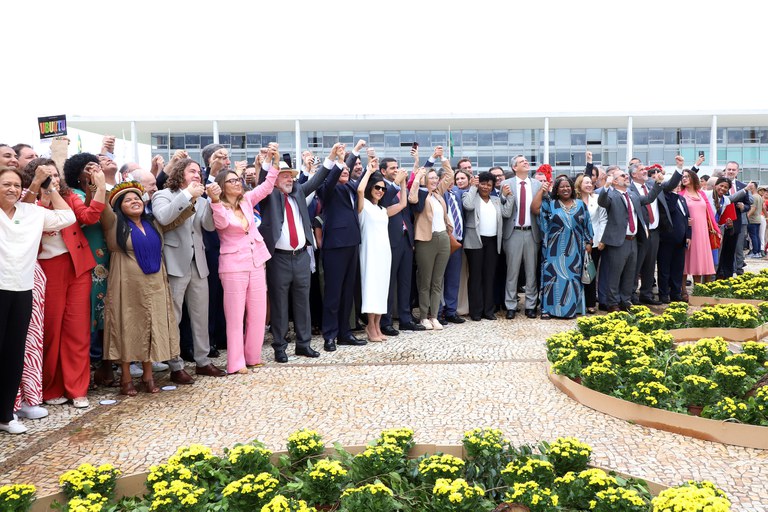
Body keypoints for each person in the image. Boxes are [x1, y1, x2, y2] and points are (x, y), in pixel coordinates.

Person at [23, 158, 105, 409]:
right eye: (47, 176)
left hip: (78, 266)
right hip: (47, 269)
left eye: (55, 175)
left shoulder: (70, 198)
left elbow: (89, 217)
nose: (54, 180)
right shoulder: (27, 203)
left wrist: (100, 187)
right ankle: (50, 387)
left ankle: (77, 388)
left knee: (77, 330)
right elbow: (23, 221)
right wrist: (41, 193)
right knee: (51, 330)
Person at [0, 165, 75, 434]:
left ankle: (6, 415)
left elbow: (67, 217)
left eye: (16, 185)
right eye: (6, 184)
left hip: (22, 290)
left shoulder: (32, 212)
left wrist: (49, 186)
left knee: (13, 354)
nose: (11, 189)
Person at [102, 182, 189, 396]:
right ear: (119, 207)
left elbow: (176, 218)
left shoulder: (153, 223)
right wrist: (98, 182)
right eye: (128, 200)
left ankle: (148, 375)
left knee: (151, 325)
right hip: (127, 283)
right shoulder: (114, 224)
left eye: (137, 198)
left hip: (155, 282)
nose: (134, 202)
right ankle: (126, 377)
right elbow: (103, 208)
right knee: (127, 325)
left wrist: (191, 197)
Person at [258, 144, 340, 362]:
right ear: (274, 178)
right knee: (279, 304)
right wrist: (269, 161)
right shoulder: (268, 196)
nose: (289, 179)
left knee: (303, 303)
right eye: (284, 176)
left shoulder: (298, 192)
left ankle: (303, 344)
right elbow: (262, 180)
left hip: (301, 256)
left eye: (291, 176)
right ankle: (280, 346)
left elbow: (318, 178)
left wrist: (331, 157)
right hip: (279, 259)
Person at [208, 148, 280, 374]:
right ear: (222, 185)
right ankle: (236, 362)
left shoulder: (247, 200)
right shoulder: (217, 206)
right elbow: (220, 224)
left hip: (257, 261)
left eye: (238, 180)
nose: (237, 183)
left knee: (258, 313)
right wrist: (214, 200)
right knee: (235, 315)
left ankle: (253, 356)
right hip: (233, 266)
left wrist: (274, 163)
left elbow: (267, 187)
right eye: (231, 181)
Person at [152, 158, 224, 382]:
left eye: (199, 173)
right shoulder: (163, 195)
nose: (197, 175)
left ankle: (202, 361)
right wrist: (187, 195)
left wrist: (213, 201)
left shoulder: (201, 200)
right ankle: (175, 365)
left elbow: (209, 227)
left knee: (201, 315)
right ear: (180, 173)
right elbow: (163, 217)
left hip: (198, 263)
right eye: (192, 171)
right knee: (174, 315)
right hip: (174, 262)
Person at [62, 153, 113, 387]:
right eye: (87, 167)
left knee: (105, 312)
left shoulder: (103, 189)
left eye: (96, 165)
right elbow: (87, 218)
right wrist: (96, 187)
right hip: (87, 258)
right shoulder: (73, 195)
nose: (93, 169)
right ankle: (85, 370)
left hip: (105, 255)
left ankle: (105, 366)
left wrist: (100, 186)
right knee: (88, 313)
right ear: (76, 172)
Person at [317, 142, 365, 352]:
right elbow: (333, 175)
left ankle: (345, 333)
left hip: (352, 243)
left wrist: (355, 152)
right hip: (335, 246)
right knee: (333, 293)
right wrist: (342, 158)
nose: (346, 171)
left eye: (347, 169)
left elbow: (357, 175)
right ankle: (330, 335)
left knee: (347, 292)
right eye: (342, 169)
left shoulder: (349, 188)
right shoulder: (327, 189)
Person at [597, 169, 662, 312]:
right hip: (618, 241)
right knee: (615, 273)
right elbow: (602, 202)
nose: (626, 176)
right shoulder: (611, 195)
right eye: (622, 175)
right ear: (614, 181)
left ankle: (625, 300)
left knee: (630, 273)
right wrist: (606, 186)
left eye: (626, 175)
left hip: (633, 240)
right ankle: (612, 302)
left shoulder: (633, 195)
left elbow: (649, 198)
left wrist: (657, 183)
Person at [357, 158, 407, 341]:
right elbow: (360, 190)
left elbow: (402, 205)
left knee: (381, 289)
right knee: (371, 289)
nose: (380, 191)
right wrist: (369, 171)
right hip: (370, 252)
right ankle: (371, 327)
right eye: (377, 188)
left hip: (384, 253)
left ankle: (378, 326)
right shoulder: (364, 207)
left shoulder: (381, 209)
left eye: (382, 189)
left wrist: (402, 182)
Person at [532, 176, 594, 319]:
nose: (565, 189)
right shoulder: (550, 204)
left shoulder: (580, 204)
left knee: (571, 280)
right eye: (562, 187)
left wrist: (589, 242)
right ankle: (548, 310)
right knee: (552, 278)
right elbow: (537, 212)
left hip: (575, 250)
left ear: (572, 188)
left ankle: (568, 310)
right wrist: (542, 191)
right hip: (554, 249)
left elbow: (587, 225)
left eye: (568, 186)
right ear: (557, 190)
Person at [379, 157, 426, 336]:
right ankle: (386, 321)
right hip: (390, 239)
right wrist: (397, 183)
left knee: (406, 281)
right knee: (389, 283)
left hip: (406, 238)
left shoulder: (400, 187)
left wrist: (406, 182)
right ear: (383, 171)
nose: (396, 170)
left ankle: (406, 319)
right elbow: (382, 205)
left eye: (397, 167)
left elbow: (409, 205)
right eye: (392, 168)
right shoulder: (379, 186)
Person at [629, 158, 683, 305]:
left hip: (655, 232)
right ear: (633, 174)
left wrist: (679, 167)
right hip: (640, 232)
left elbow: (672, 184)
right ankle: (632, 295)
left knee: (650, 264)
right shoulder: (629, 189)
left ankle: (646, 294)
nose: (645, 171)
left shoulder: (653, 183)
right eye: (641, 170)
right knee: (636, 265)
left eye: (645, 169)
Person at [409, 158, 454, 330]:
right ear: (425, 180)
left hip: (443, 238)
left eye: (436, 178)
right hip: (425, 240)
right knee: (425, 281)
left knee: (437, 281)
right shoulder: (421, 195)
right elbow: (411, 197)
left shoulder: (438, 194)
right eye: (432, 178)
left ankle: (434, 315)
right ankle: (423, 316)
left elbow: (449, 175)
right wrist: (419, 175)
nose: (435, 180)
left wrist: (442, 159)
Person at [462, 172, 513, 321]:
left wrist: (509, 197)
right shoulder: (470, 196)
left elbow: (507, 213)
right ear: (478, 184)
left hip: (492, 242)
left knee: (489, 276)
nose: (485, 187)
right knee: (476, 277)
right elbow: (468, 206)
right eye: (483, 184)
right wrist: (472, 187)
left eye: (489, 184)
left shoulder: (496, 200)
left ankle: (488, 311)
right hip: (475, 242)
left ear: (492, 187)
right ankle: (476, 312)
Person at [500, 156, 542, 319]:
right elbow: (502, 205)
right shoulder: (506, 184)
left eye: (526, 161)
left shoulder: (537, 184)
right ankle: (511, 305)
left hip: (532, 232)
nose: (526, 162)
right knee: (512, 271)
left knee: (531, 271)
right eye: (522, 161)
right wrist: (504, 196)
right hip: (513, 232)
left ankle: (531, 305)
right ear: (514, 167)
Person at [440, 160, 472, 324]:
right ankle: (439, 312)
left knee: (453, 278)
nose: (452, 181)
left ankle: (451, 311)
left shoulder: (459, 194)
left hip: (457, 242)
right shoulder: (440, 194)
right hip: (442, 242)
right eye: (448, 178)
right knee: (439, 279)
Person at [679, 171, 720, 289]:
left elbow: (710, 213)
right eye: (683, 177)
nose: (684, 178)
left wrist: (716, 229)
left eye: (687, 176)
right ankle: (683, 291)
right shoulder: (681, 194)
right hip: (688, 232)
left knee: (699, 260)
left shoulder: (701, 193)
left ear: (693, 178)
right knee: (686, 260)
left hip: (702, 232)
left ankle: (698, 290)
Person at [574, 173, 606, 314]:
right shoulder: (573, 201)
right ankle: (576, 302)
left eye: (590, 183)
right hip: (575, 242)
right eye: (585, 182)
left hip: (594, 243)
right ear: (579, 185)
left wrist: (601, 239)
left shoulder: (598, 199)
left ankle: (591, 303)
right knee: (575, 272)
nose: (588, 185)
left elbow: (603, 220)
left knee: (590, 273)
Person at [657, 183, 691, 303]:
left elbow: (687, 218)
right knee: (665, 269)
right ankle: (664, 294)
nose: (677, 186)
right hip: (667, 239)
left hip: (681, 239)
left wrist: (688, 235)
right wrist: (673, 194)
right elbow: (670, 209)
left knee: (678, 268)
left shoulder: (682, 198)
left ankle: (676, 293)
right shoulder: (666, 197)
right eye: (674, 184)